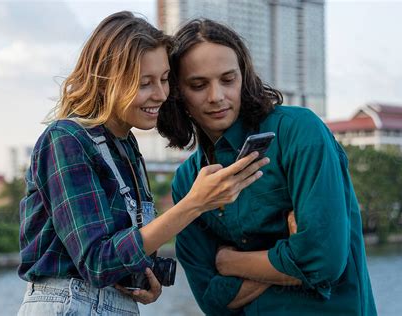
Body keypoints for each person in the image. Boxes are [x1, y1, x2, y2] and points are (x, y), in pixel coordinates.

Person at [17, 12, 268, 316]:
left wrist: (144, 276)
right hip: (69, 303)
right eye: (144, 83)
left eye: (164, 80)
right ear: (105, 80)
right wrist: (194, 204)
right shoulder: (66, 139)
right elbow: (97, 262)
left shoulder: (126, 148)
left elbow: (120, 254)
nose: (161, 94)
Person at [157, 19, 377, 315]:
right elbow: (212, 299)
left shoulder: (299, 132)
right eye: (198, 85)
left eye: (228, 79)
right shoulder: (187, 183)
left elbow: (323, 262)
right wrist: (290, 256)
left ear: (244, 77)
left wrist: (230, 263)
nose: (216, 96)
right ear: (177, 93)